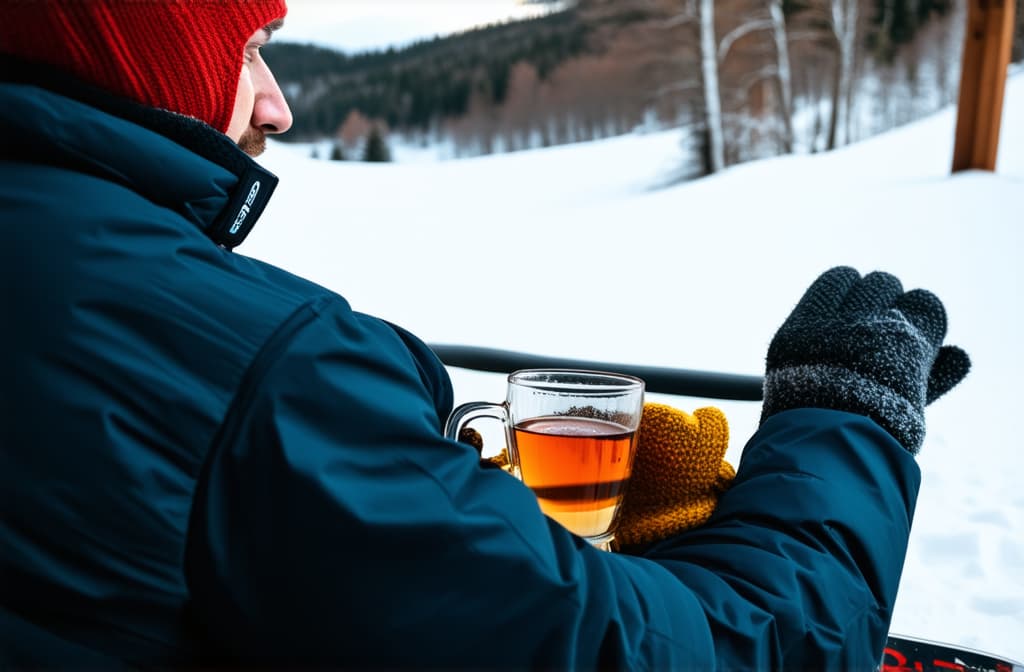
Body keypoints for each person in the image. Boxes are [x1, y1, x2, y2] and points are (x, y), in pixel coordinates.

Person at [0, 1, 971, 669]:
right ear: (138, 50)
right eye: (250, 46)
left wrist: (466, 519)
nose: (276, 105)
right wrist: (847, 425)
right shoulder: (260, 372)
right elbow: (693, 654)